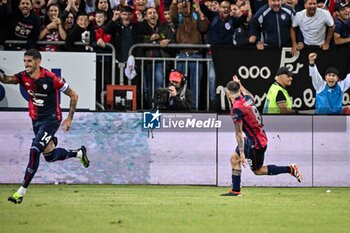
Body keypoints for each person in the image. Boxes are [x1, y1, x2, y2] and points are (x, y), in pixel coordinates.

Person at [0, 49, 90, 204]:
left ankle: (21, 192)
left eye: (29, 61)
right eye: (25, 61)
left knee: (35, 149)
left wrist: (69, 119)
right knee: (49, 156)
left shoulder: (51, 78)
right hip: (36, 121)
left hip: (51, 119)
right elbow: (7, 79)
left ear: (38, 62)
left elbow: (74, 95)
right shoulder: (23, 76)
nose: (26, 64)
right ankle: (79, 153)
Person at [221, 76, 302, 196]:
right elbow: (250, 95)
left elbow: (239, 132)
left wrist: (242, 153)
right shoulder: (247, 99)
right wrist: (240, 85)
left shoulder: (236, 109)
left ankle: (290, 169)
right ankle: (236, 190)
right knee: (234, 158)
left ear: (227, 92)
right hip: (254, 138)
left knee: (258, 171)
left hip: (255, 144)